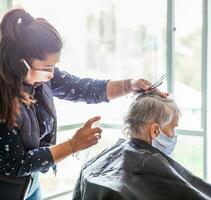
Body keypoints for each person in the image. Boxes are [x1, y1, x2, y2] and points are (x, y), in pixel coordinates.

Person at [0, 8, 167, 200]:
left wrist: (130, 85)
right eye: (46, 68)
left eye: (54, 66)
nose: (52, 75)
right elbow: (16, 164)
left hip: (31, 183)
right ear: (21, 64)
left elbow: (82, 88)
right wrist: (73, 145)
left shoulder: (42, 78)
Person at [73, 93, 211, 200]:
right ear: (154, 130)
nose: (173, 135)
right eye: (172, 128)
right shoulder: (153, 171)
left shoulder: (97, 163)